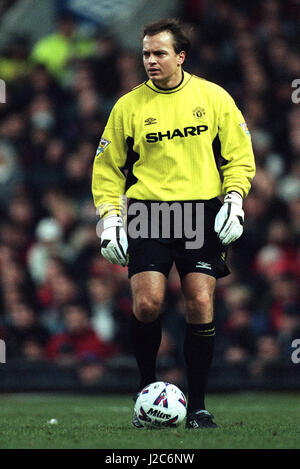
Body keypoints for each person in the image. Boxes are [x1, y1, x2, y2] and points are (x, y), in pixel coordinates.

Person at [92, 18, 255, 429]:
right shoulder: (128, 106)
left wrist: (234, 200)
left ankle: (197, 406)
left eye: (160, 53)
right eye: (146, 53)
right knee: (147, 304)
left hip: (200, 211)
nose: (151, 60)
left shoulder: (214, 98)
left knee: (200, 302)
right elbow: (107, 168)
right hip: (148, 212)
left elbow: (239, 156)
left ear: (181, 56)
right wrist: (110, 218)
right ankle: (147, 389)